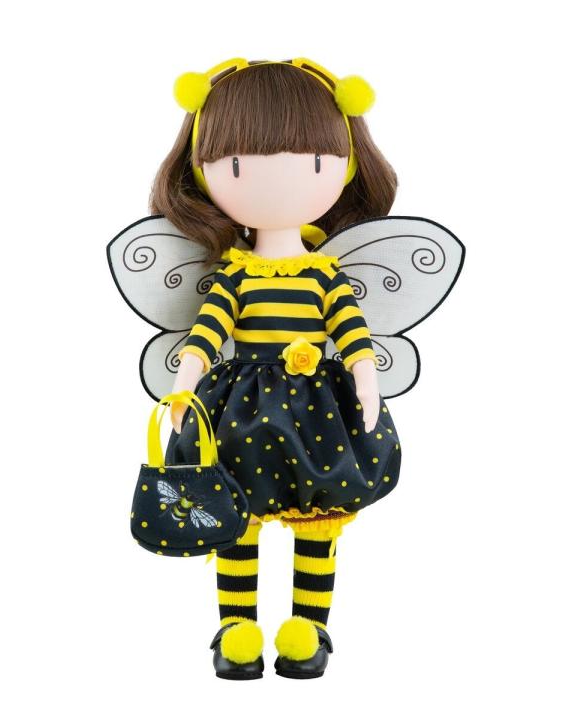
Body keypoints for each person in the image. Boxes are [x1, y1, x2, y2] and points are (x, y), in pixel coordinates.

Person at [152, 58, 401, 680]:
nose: (279, 179)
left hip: (318, 409)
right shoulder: (235, 276)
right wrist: (183, 385)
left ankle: (308, 627)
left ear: (345, 165)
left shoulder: (325, 276)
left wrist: (367, 381)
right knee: (233, 512)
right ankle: (237, 626)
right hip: (239, 408)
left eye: (313, 161)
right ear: (203, 171)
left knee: (320, 514)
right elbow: (207, 333)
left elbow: (352, 333)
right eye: (237, 164)